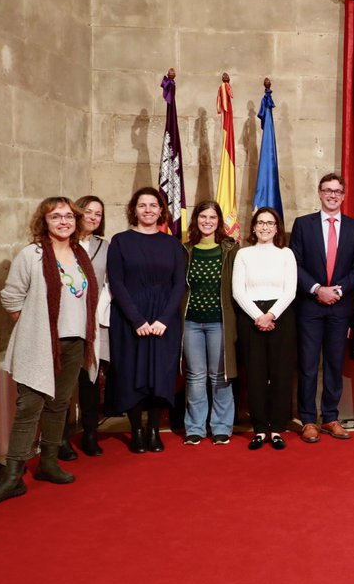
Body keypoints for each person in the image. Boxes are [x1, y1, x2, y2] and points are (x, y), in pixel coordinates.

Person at [0, 198, 99, 506]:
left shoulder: (80, 254)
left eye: (68, 216)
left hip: (75, 341)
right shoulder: (31, 255)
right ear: (43, 222)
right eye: (55, 216)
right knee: (29, 406)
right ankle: (13, 478)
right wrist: (35, 328)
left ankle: (48, 463)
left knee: (59, 405)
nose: (63, 221)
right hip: (42, 343)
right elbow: (11, 297)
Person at [106, 187, 187, 453]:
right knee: (132, 373)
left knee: (159, 374)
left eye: (154, 205)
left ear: (162, 211)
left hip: (165, 320)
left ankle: (154, 430)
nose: (148, 210)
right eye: (143, 205)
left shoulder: (173, 244)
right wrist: (137, 320)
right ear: (134, 209)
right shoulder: (120, 241)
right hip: (131, 319)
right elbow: (116, 282)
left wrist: (163, 319)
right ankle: (136, 431)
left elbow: (179, 285)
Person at [289, 172, 354, 443]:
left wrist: (337, 290)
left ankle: (331, 417)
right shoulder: (303, 225)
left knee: (334, 364)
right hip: (309, 306)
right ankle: (308, 420)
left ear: (343, 196)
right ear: (319, 194)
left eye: (337, 191)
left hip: (340, 307)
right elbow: (294, 263)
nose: (332, 195)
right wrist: (316, 289)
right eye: (327, 190)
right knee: (308, 365)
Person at [233, 207, 298, 450]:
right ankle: (260, 429)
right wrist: (258, 316)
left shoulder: (286, 254)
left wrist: (271, 314)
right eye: (261, 222)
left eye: (270, 223)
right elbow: (238, 291)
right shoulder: (243, 254)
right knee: (256, 374)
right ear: (253, 227)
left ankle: (278, 428)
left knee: (281, 374)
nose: (265, 227)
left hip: (281, 315)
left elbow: (290, 290)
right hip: (250, 317)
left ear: (277, 228)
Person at [181, 201, 238, 446]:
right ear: (196, 220)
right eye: (202, 216)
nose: (207, 221)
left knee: (220, 375)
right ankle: (195, 427)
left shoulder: (230, 249)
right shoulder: (185, 250)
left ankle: (222, 426)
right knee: (195, 376)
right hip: (191, 322)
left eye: (212, 217)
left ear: (219, 221)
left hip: (219, 322)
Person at [62, 194, 110, 458]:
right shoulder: (62, 244)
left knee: (90, 381)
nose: (92, 217)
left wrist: (100, 312)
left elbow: (109, 284)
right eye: (88, 211)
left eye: (98, 214)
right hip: (66, 323)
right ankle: (61, 438)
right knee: (64, 384)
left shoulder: (105, 246)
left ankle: (91, 434)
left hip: (94, 322)